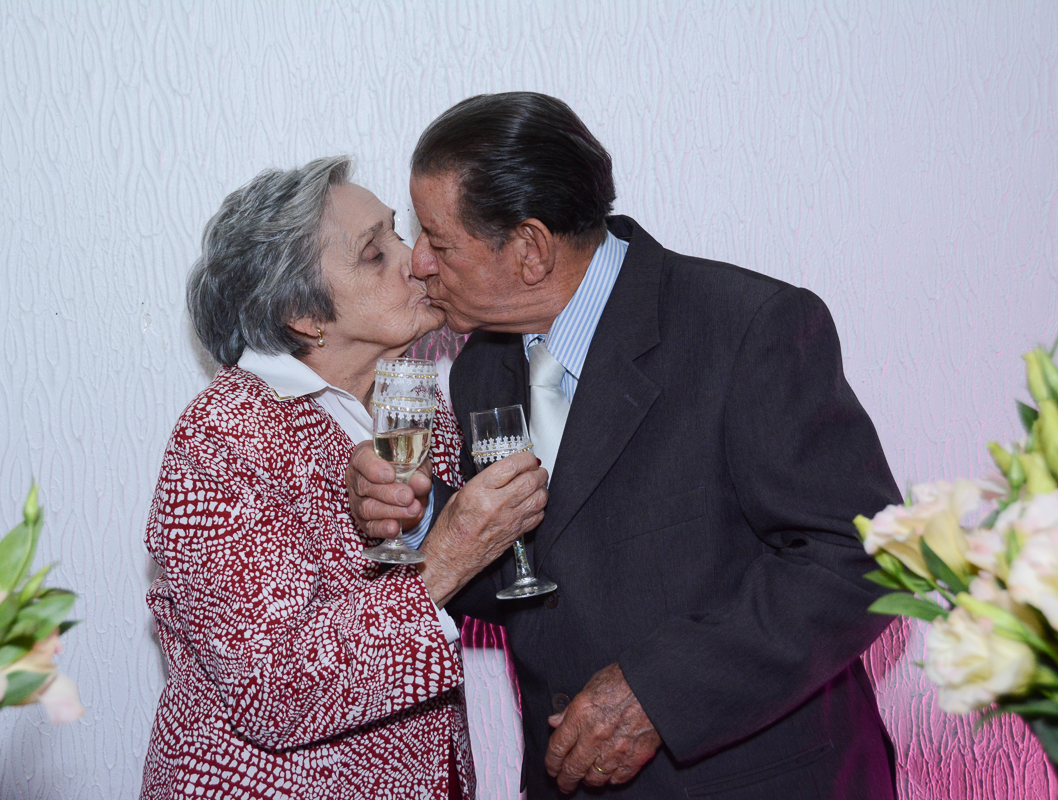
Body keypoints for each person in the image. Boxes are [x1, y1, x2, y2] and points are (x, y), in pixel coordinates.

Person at [348, 93, 901, 798]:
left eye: (439, 240)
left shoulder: (746, 329)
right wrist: (428, 520)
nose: (418, 262)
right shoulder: (483, 365)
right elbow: (530, 581)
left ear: (530, 249)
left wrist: (661, 694)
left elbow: (862, 558)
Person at [140, 155, 548, 800]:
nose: (416, 258)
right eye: (372, 252)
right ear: (304, 315)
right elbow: (274, 691)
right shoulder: (225, 436)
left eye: (397, 232)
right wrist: (444, 560)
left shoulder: (416, 409)